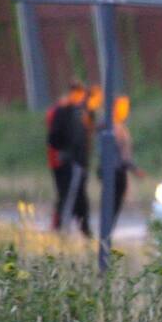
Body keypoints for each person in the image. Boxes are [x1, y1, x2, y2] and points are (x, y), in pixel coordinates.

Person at [47, 79, 93, 236]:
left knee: (79, 196)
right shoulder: (64, 111)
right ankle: (61, 229)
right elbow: (54, 138)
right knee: (68, 195)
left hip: (77, 161)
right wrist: (68, 153)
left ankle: (83, 228)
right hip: (67, 162)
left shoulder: (80, 112)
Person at [108, 95, 144, 220]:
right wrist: (134, 169)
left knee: (115, 203)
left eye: (126, 107)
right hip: (116, 170)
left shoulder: (119, 126)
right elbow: (122, 154)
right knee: (113, 204)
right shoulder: (114, 127)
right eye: (123, 107)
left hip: (118, 170)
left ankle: (108, 228)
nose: (125, 111)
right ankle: (107, 229)